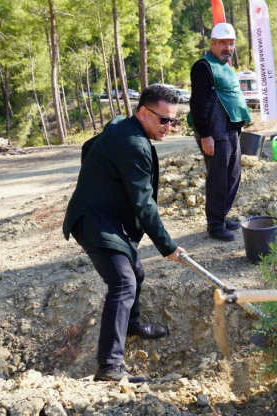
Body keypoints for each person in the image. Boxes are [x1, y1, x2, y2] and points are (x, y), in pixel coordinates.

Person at [62, 85, 185, 383]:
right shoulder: (136, 145)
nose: (169, 127)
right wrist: (167, 246)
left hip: (105, 217)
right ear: (144, 113)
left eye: (175, 121)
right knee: (123, 283)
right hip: (93, 222)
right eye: (164, 120)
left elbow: (88, 148)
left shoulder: (120, 124)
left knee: (136, 272)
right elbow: (144, 204)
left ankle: (132, 325)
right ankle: (109, 366)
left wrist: (100, 181)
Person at [190, 22, 251, 242]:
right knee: (218, 179)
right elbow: (199, 103)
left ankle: (221, 216)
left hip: (230, 130)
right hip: (214, 133)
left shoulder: (224, 65)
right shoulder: (204, 66)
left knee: (233, 176)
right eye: (223, 43)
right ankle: (214, 225)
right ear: (212, 43)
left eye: (231, 43)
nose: (227, 48)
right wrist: (206, 134)